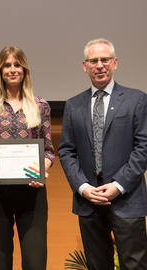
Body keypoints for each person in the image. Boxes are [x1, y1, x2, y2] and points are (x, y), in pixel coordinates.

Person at [58, 38, 147, 270]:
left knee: (135, 265)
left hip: (127, 198)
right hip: (89, 202)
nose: (100, 65)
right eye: (93, 60)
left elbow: (143, 147)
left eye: (105, 59)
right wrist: (83, 188)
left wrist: (118, 185)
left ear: (115, 63)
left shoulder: (136, 99)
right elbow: (66, 151)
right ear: (84, 66)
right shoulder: (73, 105)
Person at [0, 46, 55, 270]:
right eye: (7, 65)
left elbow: (49, 150)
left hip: (32, 189)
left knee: (35, 262)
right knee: (0, 263)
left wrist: (42, 169)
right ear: (0, 71)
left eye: (17, 65)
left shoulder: (41, 106)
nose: (12, 70)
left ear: (25, 69)